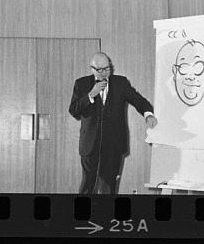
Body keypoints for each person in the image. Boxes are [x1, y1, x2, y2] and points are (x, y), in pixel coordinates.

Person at [67, 52, 157, 195]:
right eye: (100, 69)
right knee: (88, 183)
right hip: (90, 143)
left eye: (107, 68)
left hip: (114, 142)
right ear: (92, 69)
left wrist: (148, 114)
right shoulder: (81, 84)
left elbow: (138, 100)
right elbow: (74, 110)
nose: (104, 73)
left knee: (109, 185)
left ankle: (106, 210)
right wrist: (91, 95)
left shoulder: (121, 83)